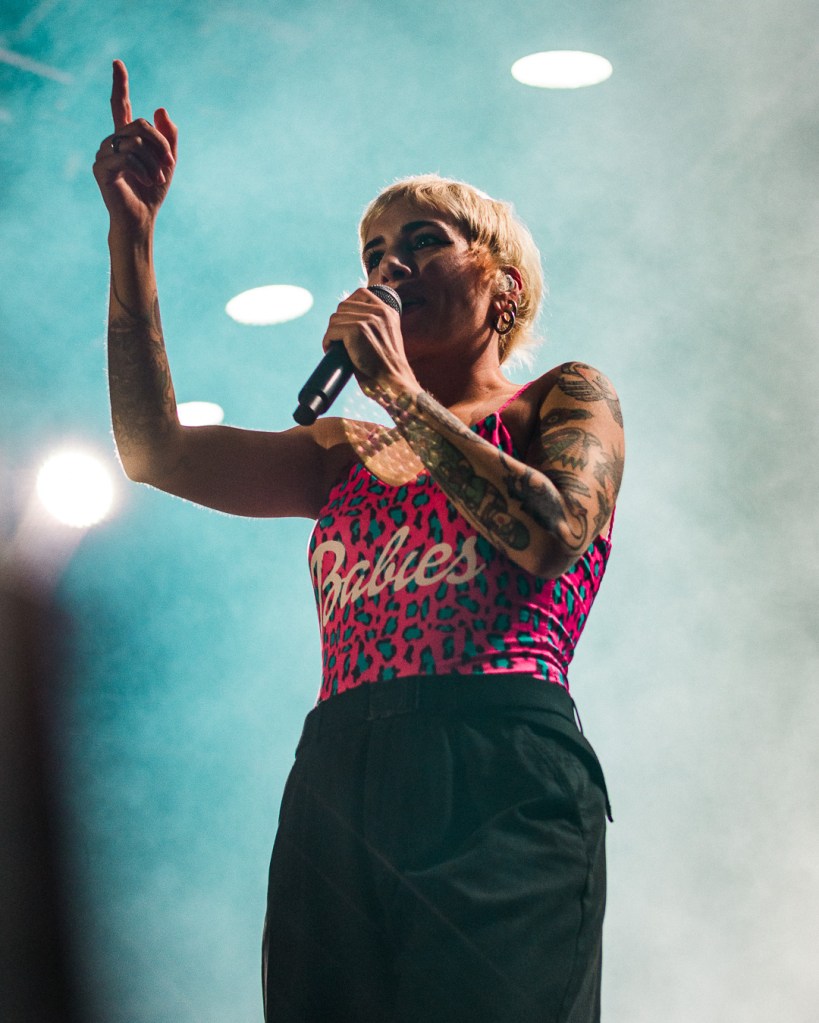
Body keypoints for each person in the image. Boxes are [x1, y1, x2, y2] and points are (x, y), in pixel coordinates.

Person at [94, 59, 625, 1023]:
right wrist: (132, 239)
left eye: (423, 241)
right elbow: (152, 449)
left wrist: (398, 391)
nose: (390, 265)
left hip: (497, 761)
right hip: (340, 769)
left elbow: (551, 535)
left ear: (503, 287)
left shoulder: (559, 397)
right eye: (375, 251)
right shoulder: (344, 451)